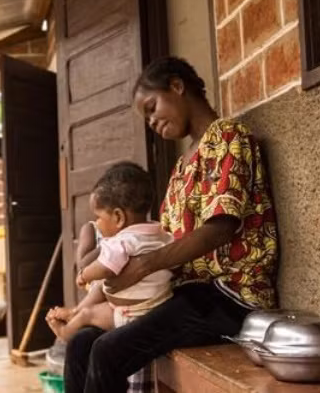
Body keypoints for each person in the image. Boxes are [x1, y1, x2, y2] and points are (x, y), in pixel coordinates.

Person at [63, 57, 279, 393]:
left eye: (152, 107)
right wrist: (86, 305)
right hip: (184, 294)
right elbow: (156, 242)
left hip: (228, 295)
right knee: (83, 342)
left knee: (107, 351)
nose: (151, 121)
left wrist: (146, 265)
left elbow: (220, 228)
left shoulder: (228, 137)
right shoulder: (181, 169)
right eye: (146, 117)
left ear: (177, 87)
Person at [46, 162, 173, 342]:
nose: (96, 223)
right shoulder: (159, 233)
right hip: (159, 306)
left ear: (118, 217)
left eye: (98, 217)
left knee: (89, 313)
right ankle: (75, 310)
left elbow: (104, 267)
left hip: (133, 314)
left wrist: (84, 275)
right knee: (102, 286)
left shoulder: (121, 242)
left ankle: (66, 332)